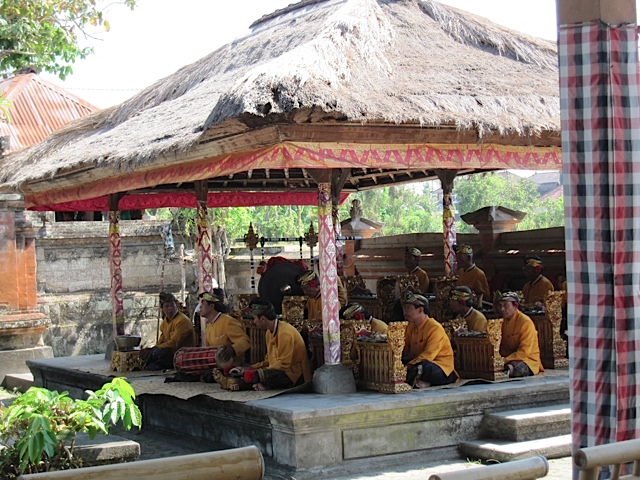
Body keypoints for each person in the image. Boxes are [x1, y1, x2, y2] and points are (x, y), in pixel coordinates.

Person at [232, 298, 311, 391]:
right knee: (246, 375)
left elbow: (284, 365)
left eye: (254, 318)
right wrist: (250, 367)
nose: (254, 322)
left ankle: (263, 383)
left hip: (294, 375)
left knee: (258, 376)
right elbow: (268, 361)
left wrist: (259, 372)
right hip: (277, 370)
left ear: (263, 319)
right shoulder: (269, 333)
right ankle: (261, 384)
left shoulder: (285, 333)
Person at [401, 289, 457, 388]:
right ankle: (419, 380)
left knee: (424, 367)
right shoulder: (410, 326)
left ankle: (423, 379)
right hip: (416, 362)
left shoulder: (434, 328)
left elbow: (428, 355)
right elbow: (404, 349)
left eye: (408, 308)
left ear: (420, 310)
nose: (405, 311)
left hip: (439, 366)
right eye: (404, 308)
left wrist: (408, 366)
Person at [139, 292, 196, 370]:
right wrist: (152, 349)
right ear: (161, 308)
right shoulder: (165, 322)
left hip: (182, 355)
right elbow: (161, 342)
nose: (170, 309)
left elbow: (173, 343)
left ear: (176, 305)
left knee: (158, 353)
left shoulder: (182, 321)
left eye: (172, 305)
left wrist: (154, 349)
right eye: (167, 306)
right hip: (171, 353)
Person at [496, 291, 543, 377]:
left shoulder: (526, 322)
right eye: (500, 306)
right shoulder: (502, 322)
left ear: (515, 306)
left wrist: (505, 360)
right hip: (507, 358)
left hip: (527, 359)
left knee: (517, 369)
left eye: (506, 306)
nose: (502, 309)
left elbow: (524, 352)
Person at [200, 291, 250, 366]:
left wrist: (233, 349)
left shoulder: (228, 322)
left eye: (203, 304)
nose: (200, 307)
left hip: (232, 369)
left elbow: (246, 341)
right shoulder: (209, 326)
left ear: (211, 306)